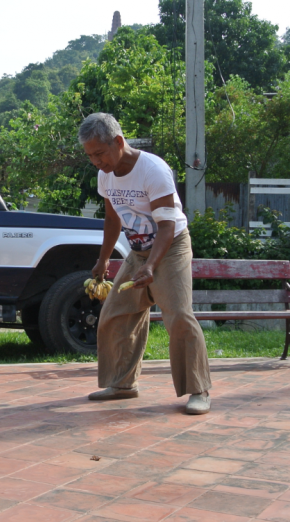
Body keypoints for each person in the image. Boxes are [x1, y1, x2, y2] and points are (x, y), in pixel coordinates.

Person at [80, 112, 212, 415]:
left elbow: (166, 227)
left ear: (118, 141)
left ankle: (200, 389)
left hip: (171, 247)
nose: (96, 162)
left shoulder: (153, 170)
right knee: (114, 314)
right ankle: (123, 384)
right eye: (90, 156)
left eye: (100, 153)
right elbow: (113, 219)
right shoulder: (105, 175)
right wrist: (102, 260)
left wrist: (151, 267)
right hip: (138, 251)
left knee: (179, 315)